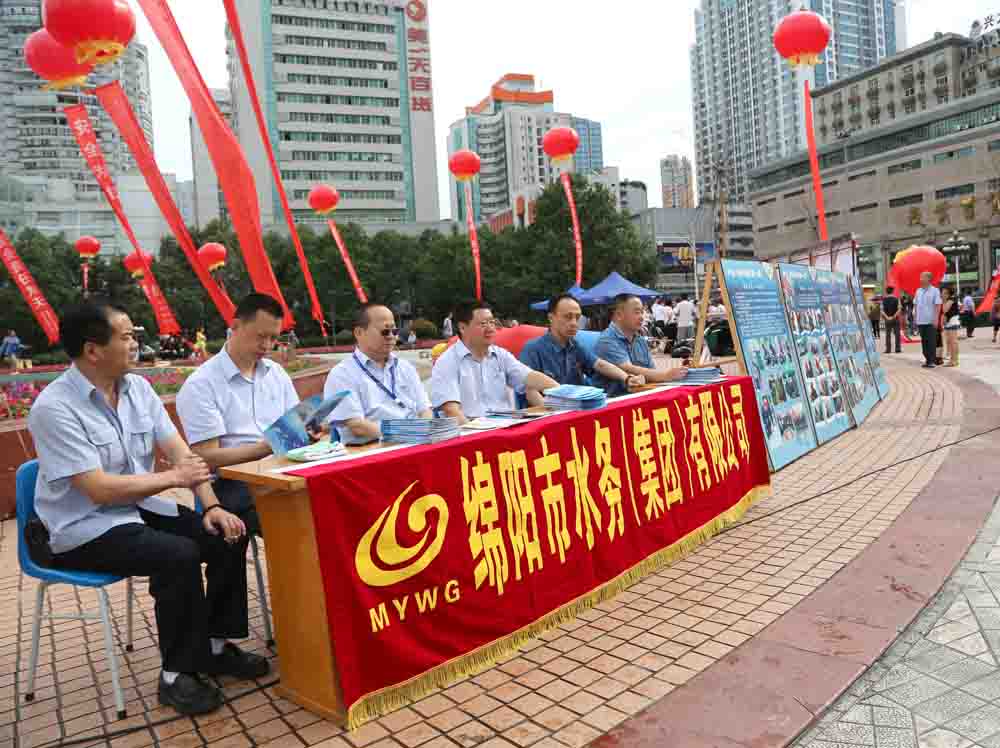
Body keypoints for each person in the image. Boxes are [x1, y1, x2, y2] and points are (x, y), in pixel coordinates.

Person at [27, 303, 266, 717]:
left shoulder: (137, 388)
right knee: (177, 555)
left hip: (136, 507)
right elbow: (98, 490)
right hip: (83, 526)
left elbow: (180, 452)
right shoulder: (54, 408)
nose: (136, 343)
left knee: (227, 531)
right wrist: (173, 479)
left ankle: (214, 647)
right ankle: (177, 675)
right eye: (126, 337)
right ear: (93, 350)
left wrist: (211, 505)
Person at [176, 294, 300, 538]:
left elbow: (294, 423)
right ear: (235, 326)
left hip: (280, 471)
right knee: (292, 520)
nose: (267, 345)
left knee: (326, 500)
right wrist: (266, 447)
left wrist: (309, 431)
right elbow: (206, 457)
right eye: (261, 336)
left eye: (274, 338)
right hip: (231, 482)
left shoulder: (276, 373)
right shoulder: (202, 384)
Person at [430, 301, 558, 424]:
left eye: (492, 322)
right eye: (483, 324)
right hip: (470, 430)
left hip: (505, 425)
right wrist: (477, 435)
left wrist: (562, 392)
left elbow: (529, 377)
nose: (490, 328)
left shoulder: (500, 354)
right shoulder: (447, 362)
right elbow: (451, 411)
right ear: (462, 327)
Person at [324, 303, 431, 443]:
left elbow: (425, 410)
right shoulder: (342, 374)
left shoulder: (405, 367)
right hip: (374, 448)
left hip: (416, 442)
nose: (391, 336)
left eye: (394, 331)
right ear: (359, 333)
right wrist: (407, 434)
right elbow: (357, 426)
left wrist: (424, 432)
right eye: (385, 331)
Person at [519, 294, 643, 403]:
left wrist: (627, 378)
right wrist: (554, 413)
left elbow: (599, 364)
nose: (574, 323)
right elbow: (530, 391)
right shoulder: (533, 349)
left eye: (577, 318)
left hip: (579, 407)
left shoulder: (575, 346)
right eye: (568, 317)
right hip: (551, 413)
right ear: (551, 317)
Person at [593, 294, 689, 396]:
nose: (642, 317)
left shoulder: (640, 340)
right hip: (614, 400)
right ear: (619, 315)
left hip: (638, 396)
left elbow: (651, 372)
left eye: (642, 312)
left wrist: (677, 374)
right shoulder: (607, 340)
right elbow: (628, 369)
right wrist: (665, 375)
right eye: (637, 312)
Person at [914, 272, 942, 368]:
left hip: (930, 321)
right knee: (924, 341)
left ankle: (931, 361)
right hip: (920, 320)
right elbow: (915, 305)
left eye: (922, 277)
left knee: (931, 341)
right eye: (920, 277)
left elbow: (938, 305)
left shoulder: (935, 291)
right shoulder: (918, 291)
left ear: (928, 279)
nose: (920, 279)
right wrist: (915, 318)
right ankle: (927, 359)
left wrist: (936, 319)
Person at [941, 287, 961, 367]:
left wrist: (943, 302)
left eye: (945, 293)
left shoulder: (950, 301)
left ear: (948, 294)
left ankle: (954, 360)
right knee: (951, 341)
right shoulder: (948, 301)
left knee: (953, 342)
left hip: (952, 323)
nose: (942, 294)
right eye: (942, 293)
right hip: (949, 323)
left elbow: (945, 311)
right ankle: (953, 360)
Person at [881, 288, 901, 354]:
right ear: (893, 292)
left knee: (888, 334)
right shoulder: (897, 299)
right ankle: (897, 348)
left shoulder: (883, 300)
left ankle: (888, 349)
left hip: (887, 319)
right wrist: (894, 316)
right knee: (897, 334)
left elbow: (882, 310)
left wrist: (887, 317)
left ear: (886, 292)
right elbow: (899, 309)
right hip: (895, 319)